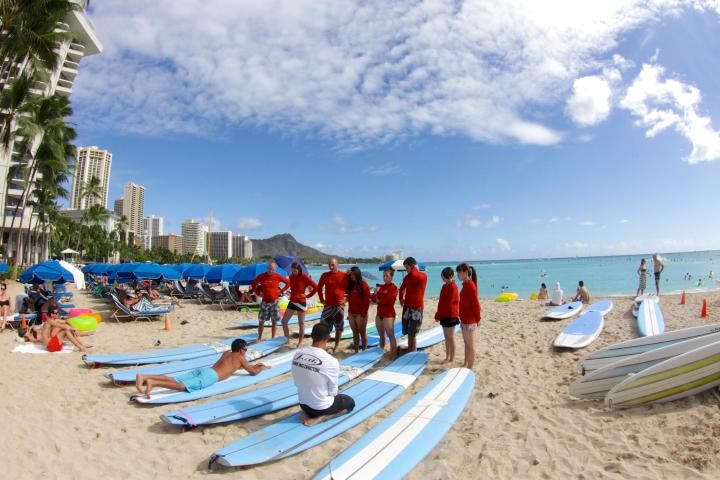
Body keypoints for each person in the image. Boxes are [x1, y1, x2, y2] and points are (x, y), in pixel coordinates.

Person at [135, 338, 270, 399]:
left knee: (174, 379)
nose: (246, 352)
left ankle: (145, 376)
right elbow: (252, 372)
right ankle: (154, 383)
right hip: (210, 377)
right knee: (182, 386)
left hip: (205, 370)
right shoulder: (240, 358)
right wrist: (261, 368)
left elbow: (232, 367)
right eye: (245, 349)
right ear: (241, 350)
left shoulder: (227, 353)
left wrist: (255, 365)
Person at [292, 323, 355, 426]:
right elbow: (333, 392)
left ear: (312, 335)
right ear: (328, 338)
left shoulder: (297, 354)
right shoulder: (331, 361)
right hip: (321, 408)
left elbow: (296, 381)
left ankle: (306, 412)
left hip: (303, 404)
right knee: (349, 402)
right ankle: (322, 418)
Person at [281, 262, 318, 347]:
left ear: (299, 269)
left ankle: (300, 342)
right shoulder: (291, 277)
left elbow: (315, 287)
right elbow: (289, 285)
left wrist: (307, 295)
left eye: (295, 271)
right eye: (292, 271)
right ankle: (287, 340)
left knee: (301, 323)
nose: (293, 272)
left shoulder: (304, 277)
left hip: (301, 302)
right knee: (284, 321)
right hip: (292, 302)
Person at [251, 262, 290, 341]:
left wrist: (281, 291)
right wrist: (258, 293)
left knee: (274, 321)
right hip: (264, 302)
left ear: (275, 269)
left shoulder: (277, 276)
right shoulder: (261, 276)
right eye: (269, 269)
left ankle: (273, 337)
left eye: (272, 269)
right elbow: (253, 284)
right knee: (261, 321)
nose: (270, 271)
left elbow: (288, 283)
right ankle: (259, 337)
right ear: (267, 268)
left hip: (275, 302)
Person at [398, 257, 428, 356]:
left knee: (413, 331)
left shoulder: (422, 276)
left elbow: (414, 275)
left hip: (417, 308)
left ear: (412, 266)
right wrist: (401, 298)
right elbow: (401, 288)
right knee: (408, 330)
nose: (406, 270)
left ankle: (412, 349)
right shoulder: (408, 277)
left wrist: (414, 269)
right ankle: (411, 348)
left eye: (407, 268)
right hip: (407, 306)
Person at [317, 258, 349, 352]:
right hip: (328, 306)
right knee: (323, 327)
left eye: (333, 265)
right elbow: (319, 288)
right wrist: (322, 300)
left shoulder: (344, 275)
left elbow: (353, 287)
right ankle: (323, 344)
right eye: (330, 265)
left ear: (337, 264)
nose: (331, 267)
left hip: (339, 306)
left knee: (339, 327)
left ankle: (336, 346)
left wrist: (346, 300)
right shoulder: (325, 275)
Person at [457, 263, 480, 369]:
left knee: (470, 345)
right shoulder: (465, 285)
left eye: (459, 273)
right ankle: (465, 363)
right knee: (466, 343)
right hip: (464, 319)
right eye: (457, 273)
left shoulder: (470, 285)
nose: (458, 275)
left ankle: (470, 367)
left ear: (466, 273)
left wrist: (478, 319)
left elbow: (476, 304)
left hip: (470, 320)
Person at [371, 268, 398, 357]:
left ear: (391, 277)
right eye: (384, 276)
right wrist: (376, 295)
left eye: (387, 276)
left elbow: (389, 301)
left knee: (391, 336)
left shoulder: (393, 288)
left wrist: (379, 300)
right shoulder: (380, 287)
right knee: (381, 336)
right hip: (379, 314)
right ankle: (381, 352)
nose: (385, 278)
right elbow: (374, 299)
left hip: (388, 315)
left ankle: (393, 354)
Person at [435, 267, 459, 364]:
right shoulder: (444, 286)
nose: (444, 279)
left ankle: (452, 358)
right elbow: (441, 302)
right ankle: (447, 356)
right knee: (446, 337)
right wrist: (438, 314)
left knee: (451, 337)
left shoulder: (454, 286)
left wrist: (440, 313)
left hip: (451, 315)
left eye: (445, 277)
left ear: (450, 276)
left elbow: (449, 303)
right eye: (443, 277)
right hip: (444, 315)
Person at [21, 319, 91, 353]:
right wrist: (29, 335)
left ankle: (81, 346)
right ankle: (81, 347)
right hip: (52, 346)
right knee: (65, 329)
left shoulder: (44, 329)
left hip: (53, 345)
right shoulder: (41, 330)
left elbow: (65, 321)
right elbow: (33, 340)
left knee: (65, 330)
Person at [346, 266, 370, 353]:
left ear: (357, 274)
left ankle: (364, 351)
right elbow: (342, 284)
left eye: (353, 274)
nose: (351, 276)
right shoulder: (351, 285)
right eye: (351, 274)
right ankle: (356, 351)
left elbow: (367, 302)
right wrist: (346, 274)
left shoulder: (364, 285)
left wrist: (363, 315)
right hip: (351, 312)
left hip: (360, 314)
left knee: (362, 332)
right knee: (355, 333)